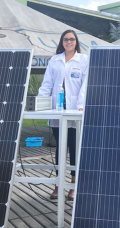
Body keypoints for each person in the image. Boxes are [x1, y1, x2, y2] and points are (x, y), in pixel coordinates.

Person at [37, 29, 88, 201]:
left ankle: (73, 185)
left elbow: (85, 85)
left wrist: (80, 106)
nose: (69, 42)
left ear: (76, 41)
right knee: (60, 147)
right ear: (61, 42)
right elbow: (47, 84)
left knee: (74, 147)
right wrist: (39, 103)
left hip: (75, 109)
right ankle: (58, 184)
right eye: (65, 39)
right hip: (57, 109)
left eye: (72, 39)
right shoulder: (54, 60)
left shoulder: (83, 60)